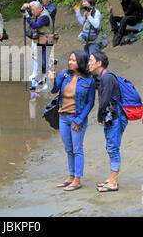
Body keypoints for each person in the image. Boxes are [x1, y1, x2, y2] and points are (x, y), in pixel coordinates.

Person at [48, 50, 96, 191]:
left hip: (77, 118)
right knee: (68, 149)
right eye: (70, 59)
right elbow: (53, 90)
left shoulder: (89, 80)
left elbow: (90, 103)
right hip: (63, 117)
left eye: (73, 60)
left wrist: (80, 120)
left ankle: (77, 179)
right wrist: (51, 78)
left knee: (77, 149)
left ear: (80, 62)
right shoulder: (64, 75)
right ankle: (70, 176)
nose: (70, 62)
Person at [88, 51, 128, 192]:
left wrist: (99, 117)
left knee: (113, 148)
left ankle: (113, 182)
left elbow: (104, 100)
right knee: (111, 147)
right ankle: (111, 178)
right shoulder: (103, 77)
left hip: (116, 118)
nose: (89, 63)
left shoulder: (107, 78)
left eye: (91, 60)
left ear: (99, 63)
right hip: (113, 117)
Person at [21, 0, 53, 91]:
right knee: (39, 61)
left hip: (47, 40)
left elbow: (35, 25)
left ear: (39, 9)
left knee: (44, 62)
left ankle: (46, 81)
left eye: (33, 10)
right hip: (40, 39)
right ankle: (37, 81)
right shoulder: (39, 13)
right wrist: (24, 9)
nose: (32, 12)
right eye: (31, 10)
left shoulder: (44, 16)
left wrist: (27, 15)